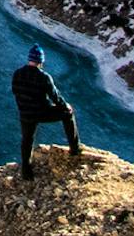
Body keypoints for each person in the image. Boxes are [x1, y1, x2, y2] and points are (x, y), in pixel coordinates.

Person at [12, 44, 82, 180]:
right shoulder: (44, 77)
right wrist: (66, 106)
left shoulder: (17, 74)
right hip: (41, 112)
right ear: (41, 61)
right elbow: (55, 97)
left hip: (25, 113)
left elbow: (15, 92)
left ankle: (26, 172)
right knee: (68, 114)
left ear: (29, 59)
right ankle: (75, 149)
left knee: (27, 140)